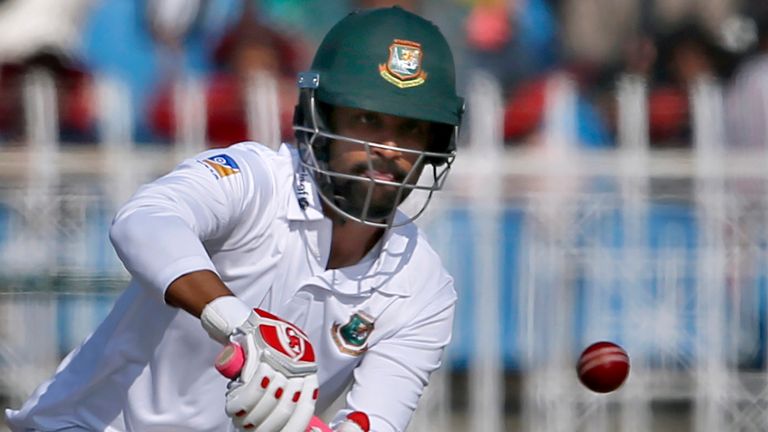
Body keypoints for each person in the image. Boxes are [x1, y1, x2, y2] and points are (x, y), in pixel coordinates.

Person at [5, 6, 464, 432]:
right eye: (367, 120)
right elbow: (144, 219)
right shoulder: (256, 178)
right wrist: (241, 324)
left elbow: (377, 419)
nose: (389, 149)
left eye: (411, 130)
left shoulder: (423, 284)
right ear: (320, 117)